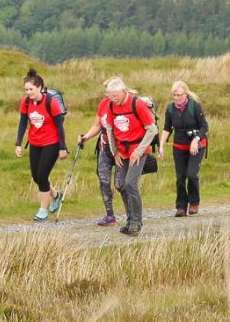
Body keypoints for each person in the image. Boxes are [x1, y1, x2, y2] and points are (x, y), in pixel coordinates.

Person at [101, 76, 157, 236]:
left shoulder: (137, 104)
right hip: (122, 151)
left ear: (124, 91)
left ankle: (136, 222)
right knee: (121, 186)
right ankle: (130, 220)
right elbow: (110, 130)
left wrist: (139, 151)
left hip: (138, 150)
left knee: (130, 183)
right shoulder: (111, 106)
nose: (112, 99)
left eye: (115, 96)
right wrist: (115, 152)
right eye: (109, 96)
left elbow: (152, 129)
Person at [14, 69, 68, 221]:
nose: (28, 92)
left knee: (43, 176)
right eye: (26, 89)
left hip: (51, 143)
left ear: (40, 87)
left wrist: (62, 148)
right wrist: (18, 144)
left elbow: (59, 127)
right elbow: (23, 123)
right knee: (37, 177)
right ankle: (56, 195)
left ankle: (42, 210)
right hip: (35, 143)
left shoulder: (51, 102)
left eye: (31, 89)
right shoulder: (25, 102)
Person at [160, 79, 209, 217]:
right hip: (179, 146)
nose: (177, 98)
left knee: (191, 175)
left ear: (186, 94)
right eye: (174, 95)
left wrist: (196, 139)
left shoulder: (195, 106)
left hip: (197, 145)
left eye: (179, 95)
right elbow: (167, 128)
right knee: (180, 177)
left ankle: (194, 202)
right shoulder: (170, 109)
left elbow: (205, 126)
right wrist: (162, 145)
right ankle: (181, 206)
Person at [77, 98, 119, 227]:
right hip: (104, 148)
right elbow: (98, 125)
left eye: (112, 91)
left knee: (120, 184)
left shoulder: (125, 104)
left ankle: (133, 215)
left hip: (122, 149)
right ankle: (110, 215)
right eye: (107, 91)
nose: (109, 95)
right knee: (103, 180)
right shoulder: (103, 103)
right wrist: (86, 137)